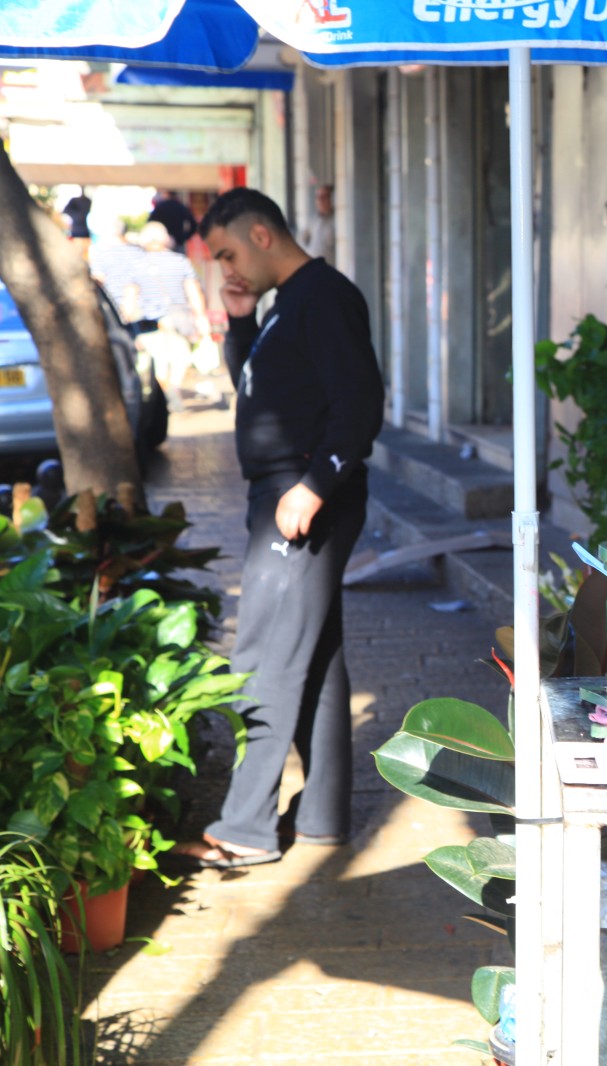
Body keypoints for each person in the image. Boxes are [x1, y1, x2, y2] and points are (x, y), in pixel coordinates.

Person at [173, 188, 384, 869]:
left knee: (262, 658)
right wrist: (239, 323)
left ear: (263, 234)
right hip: (285, 493)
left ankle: (247, 828)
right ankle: (324, 817)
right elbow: (260, 392)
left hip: (302, 497)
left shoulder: (322, 296)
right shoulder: (284, 305)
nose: (227, 268)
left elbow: (360, 402)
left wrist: (316, 485)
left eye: (229, 253)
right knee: (313, 660)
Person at [130, 222, 209, 398]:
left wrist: (127, 321)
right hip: (178, 318)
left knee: (158, 360)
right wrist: (201, 316)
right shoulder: (180, 261)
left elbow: (130, 297)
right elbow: (193, 290)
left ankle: (163, 395)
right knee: (180, 358)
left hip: (149, 321)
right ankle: (171, 390)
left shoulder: (136, 264)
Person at [88, 221, 147, 323]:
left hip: (113, 307)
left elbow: (98, 278)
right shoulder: (139, 252)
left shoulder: (101, 254)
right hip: (140, 308)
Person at [298, 183, 336, 262]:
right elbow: (302, 239)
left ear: (332, 199)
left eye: (324, 197)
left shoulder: (337, 220)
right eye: (318, 197)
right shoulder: (313, 220)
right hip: (312, 267)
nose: (320, 200)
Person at [61, 187, 91, 257]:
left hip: (80, 231)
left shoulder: (87, 201)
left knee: (81, 252)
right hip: (79, 231)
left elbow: (65, 210)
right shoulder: (83, 201)